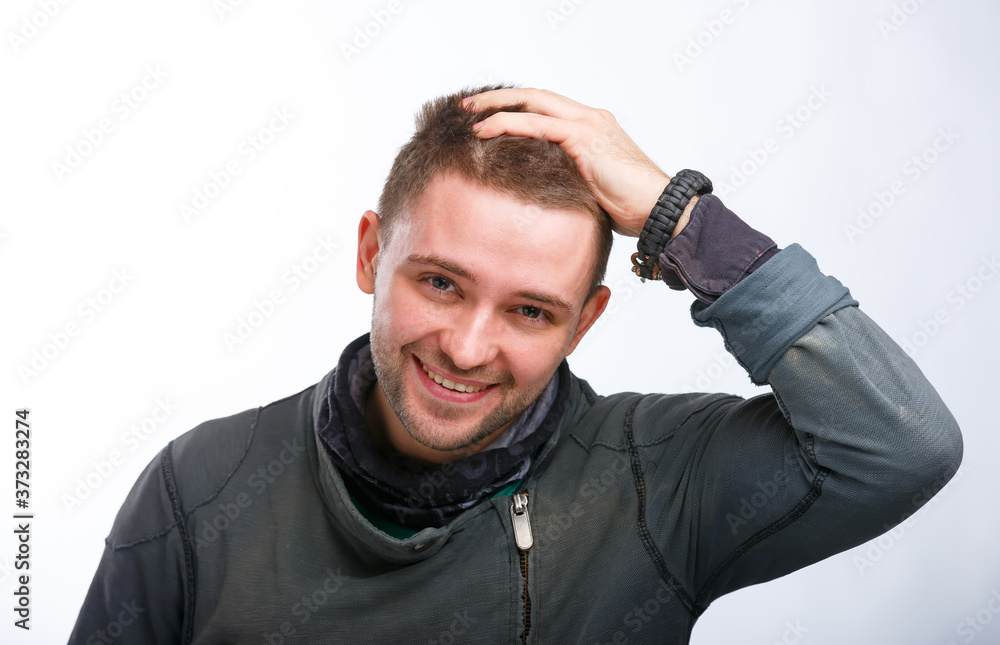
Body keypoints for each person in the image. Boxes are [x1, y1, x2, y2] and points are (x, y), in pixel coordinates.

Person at [69, 85, 963, 644]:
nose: (466, 347)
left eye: (531, 310)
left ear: (585, 322)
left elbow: (901, 444)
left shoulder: (662, 479)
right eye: (443, 283)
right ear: (370, 255)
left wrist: (678, 217)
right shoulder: (199, 486)